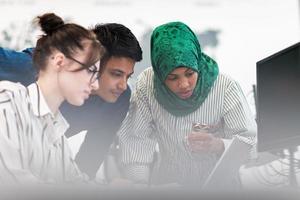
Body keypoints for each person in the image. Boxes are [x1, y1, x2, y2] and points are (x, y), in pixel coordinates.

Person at [116, 22, 257, 187]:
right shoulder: (147, 86)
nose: (184, 84)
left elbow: (250, 142)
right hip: (169, 184)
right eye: (172, 77)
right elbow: (136, 140)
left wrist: (218, 145)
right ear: (160, 74)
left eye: (190, 74)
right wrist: (138, 185)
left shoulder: (225, 87)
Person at [0, 23, 142, 179]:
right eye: (116, 74)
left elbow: (88, 162)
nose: (123, 85)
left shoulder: (118, 98)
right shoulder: (33, 68)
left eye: (128, 77)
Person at [0, 13, 104, 184]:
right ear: (59, 62)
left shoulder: (58, 134)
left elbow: (76, 184)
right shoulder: (7, 103)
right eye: (91, 71)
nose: (96, 86)